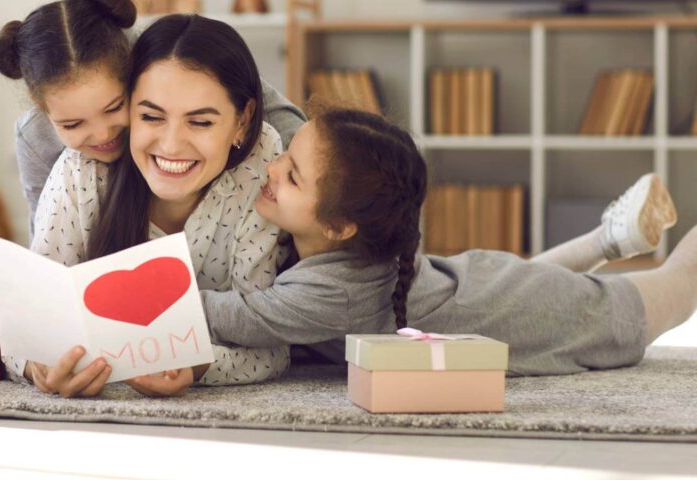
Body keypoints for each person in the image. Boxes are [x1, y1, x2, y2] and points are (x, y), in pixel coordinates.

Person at [179, 104, 691, 391]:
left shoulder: (334, 293)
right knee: (539, 281)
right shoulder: (337, 193)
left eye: (290, 175)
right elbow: (269, 102)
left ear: (338, 227)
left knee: (678, 283)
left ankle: (616, 239)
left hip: (536, 311)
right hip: (485, 283)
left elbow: (231, 315)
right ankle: (613, 237)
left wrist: (124, 295)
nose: (271, 167)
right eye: (284, 157)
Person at [18, 14, 291, 397]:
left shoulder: (262, 163)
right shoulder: (83, 167)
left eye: (200, 122)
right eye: (150, 117)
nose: (171, 145)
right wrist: (38, 367)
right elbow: (24, 322)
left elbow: (268, 346)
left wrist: (197, 366)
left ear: (243, 121)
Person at [0, 0, 305, 243]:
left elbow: (258, 102)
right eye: (73, 123)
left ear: (130, 72)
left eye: (115, 107)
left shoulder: (160, 58)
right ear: (41, 106)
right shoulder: (38, 138)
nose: (103, 134)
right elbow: (46, 236)